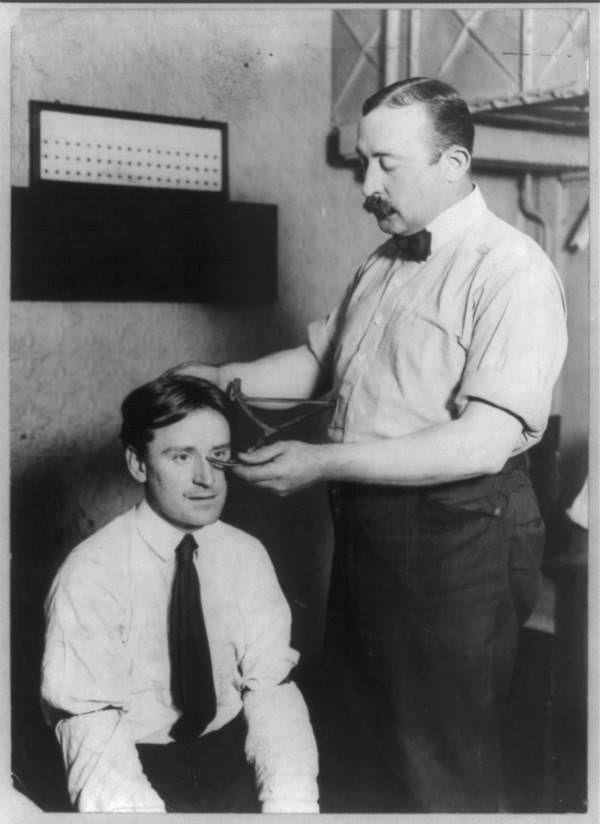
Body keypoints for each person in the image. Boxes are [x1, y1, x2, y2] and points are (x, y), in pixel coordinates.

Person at [168, 77, 568, 811]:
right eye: (362, 162)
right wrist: (224, 376)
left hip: (460, 532)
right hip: (367, 529)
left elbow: (483, 442)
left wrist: (320, 463)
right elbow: (320, 361)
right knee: (363, 735)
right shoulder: (382, 263)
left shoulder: (512, 271)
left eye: (386, 163)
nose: (365, 184)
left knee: (439, 754)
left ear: (451, 165)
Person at [41, 374, 319, 813]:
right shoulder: (90, 574)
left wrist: (289, 804)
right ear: (137, 464)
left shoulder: (246, 555)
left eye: (218, 456)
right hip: (137, 770)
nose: (206, 478)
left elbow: (272, 690)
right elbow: (92, 733)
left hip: (233, 761)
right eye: (180, 456)